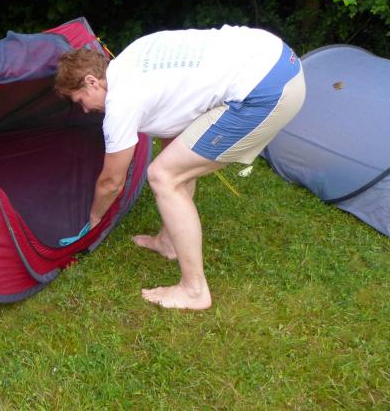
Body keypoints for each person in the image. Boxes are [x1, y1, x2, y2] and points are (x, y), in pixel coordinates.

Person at [54, 25, 306, 310]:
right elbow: (174, 131)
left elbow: (112, 182)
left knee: (163, 176)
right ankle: (168, 242)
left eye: (80, 101)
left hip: (266, 92)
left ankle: (194, 291)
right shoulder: (131, 58)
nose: (86, 110)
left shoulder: (121, 100)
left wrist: (94, 218)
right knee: (175, 160)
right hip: (280, 59)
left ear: (92, 82)